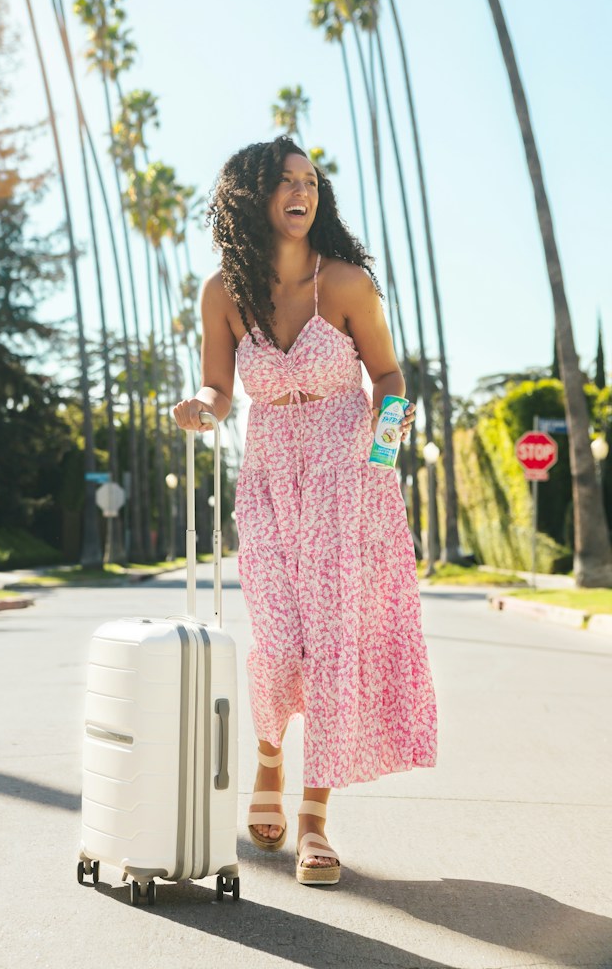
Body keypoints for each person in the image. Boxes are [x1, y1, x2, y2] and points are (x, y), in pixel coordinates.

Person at [173, 136, 438, 886]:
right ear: (249, 197)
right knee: (280, 639)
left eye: (311, 182)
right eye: (286, 182)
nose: (303, 192)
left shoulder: (347, 283)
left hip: (345, 474)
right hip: (267, 476)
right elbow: (221, 388)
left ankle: (315, 820)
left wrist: (385, 448)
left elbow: (387, 373)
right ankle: (267, 754)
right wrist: (203, 406)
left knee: (327, 644)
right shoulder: (223, 293)